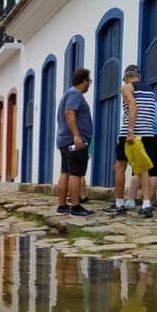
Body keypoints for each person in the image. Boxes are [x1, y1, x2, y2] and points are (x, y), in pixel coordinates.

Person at [104, 65, 157, 218]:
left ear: (127, 77)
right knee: (143, 168)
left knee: (120, 166)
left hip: (132, 134)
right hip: (148, 133)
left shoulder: (127, 87)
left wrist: (130, 131)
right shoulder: (149, 89)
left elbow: (133, 107)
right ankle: (147, 205)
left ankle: (119, 204)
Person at [55, 68, 95, 217]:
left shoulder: (68, 93)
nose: (89, 84)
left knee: (65, 172)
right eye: (89, 81)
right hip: (74, 140)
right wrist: (77, 136)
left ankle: (62, 205)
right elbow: (70, 113)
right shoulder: (75, 94)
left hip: (64, 139)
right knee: (76, 173)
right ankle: (76, 206)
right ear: (84, 80)